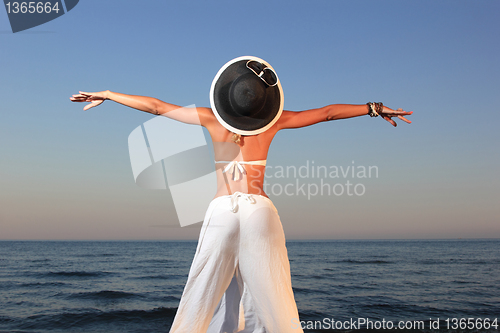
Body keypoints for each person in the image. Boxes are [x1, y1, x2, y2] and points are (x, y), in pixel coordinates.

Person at [70, 56, 412, 333]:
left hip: (223, 211)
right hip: (260, 210)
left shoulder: (211, 121)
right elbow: (326, 113)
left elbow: (157, 107)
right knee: (275, 295)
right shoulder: (275, 123)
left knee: (201, 291)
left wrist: (109, 94)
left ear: (226, 95)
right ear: (265, 102)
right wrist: (374, 107)